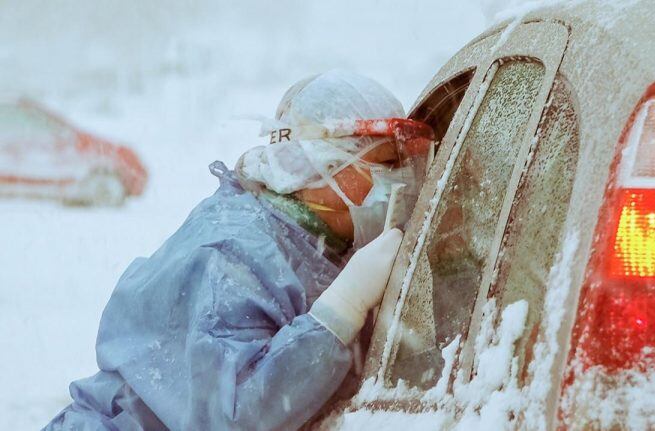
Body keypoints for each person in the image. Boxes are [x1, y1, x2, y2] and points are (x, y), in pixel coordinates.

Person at [45, 70, 434, 431]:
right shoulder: (234, 253)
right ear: (324, 162)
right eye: (385, 163)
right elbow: (230, 416)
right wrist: (340, 312)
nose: (399, 179)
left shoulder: (320, 240)